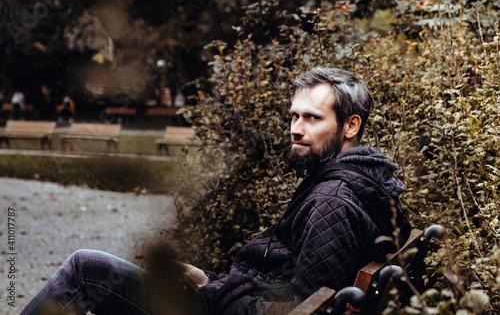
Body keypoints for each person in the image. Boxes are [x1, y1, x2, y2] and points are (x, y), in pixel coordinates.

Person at [21, 67, 411, 315]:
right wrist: (212, 280)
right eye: (294, 116)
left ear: (350, 126)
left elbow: (299, 309)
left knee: (85, 269)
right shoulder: (359, 182)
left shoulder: (333, 202)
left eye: (312, 118)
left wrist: (213, 293)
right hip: (221, 299)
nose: (295, 128)